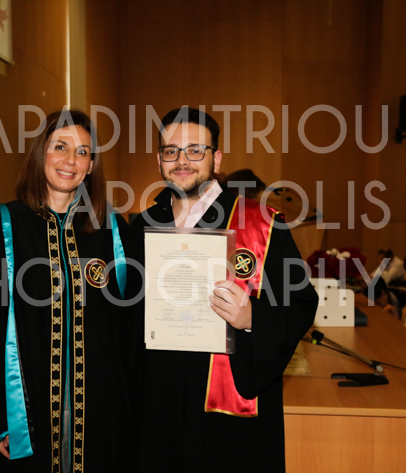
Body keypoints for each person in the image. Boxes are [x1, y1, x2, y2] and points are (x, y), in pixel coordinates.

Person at [127, 107, 318, 473]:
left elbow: (301, 302)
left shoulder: (260, 223)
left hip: (225, 415)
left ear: (216, 159)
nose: (182, 161)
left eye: (195, 150)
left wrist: (253, 318)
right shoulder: (142, 229)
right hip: (158, 404)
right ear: (159, 159)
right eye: (171, 151)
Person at [0, 110, 130, 471]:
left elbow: (127, 330)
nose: (70, 160)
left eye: (83, 152)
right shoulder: (2, 225)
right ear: (41, 153)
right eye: (60, 147)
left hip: (98, 417)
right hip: (23, 414)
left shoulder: (111, 232)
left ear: (91, 166)